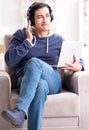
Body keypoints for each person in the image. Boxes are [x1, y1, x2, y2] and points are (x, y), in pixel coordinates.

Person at [1, 2, 84, 130]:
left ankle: (20, 110)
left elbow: (80, 61)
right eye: (40, 17)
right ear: (31, 20)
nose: (45, 20)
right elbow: (9, 60)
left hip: (53, 80)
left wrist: (79, 66)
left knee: (35, 62)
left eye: (47, 16)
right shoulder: (21, 35)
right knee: (40, 86)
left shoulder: (59, 40)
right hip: (25, 80)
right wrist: (28, 42)